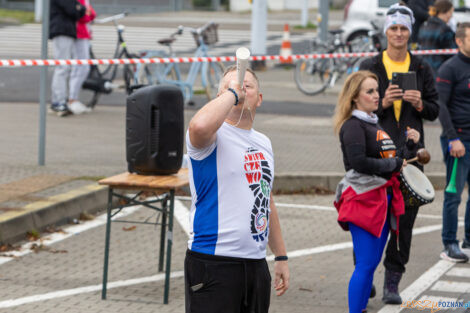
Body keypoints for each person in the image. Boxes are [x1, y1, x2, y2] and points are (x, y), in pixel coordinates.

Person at [185, 65, 289, 313]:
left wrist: (281, 256)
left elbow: (266, 199)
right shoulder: (211, 137)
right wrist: (232, 93)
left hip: (255, 264)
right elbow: (198, 126)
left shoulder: (263, 142)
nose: (240, 89)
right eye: (229, 87)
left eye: (247, 86)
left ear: (259, 99)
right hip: (214, 263)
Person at [359, 3, 439, 304]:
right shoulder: (370, 66)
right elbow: (353, 108)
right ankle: (364, 277)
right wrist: (380, 103)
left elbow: (434, 109)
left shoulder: (420, 67)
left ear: (410, 32)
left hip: (410, 158)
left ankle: (393, 281)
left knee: (403, 225)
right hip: (374, 157)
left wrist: (419, 105)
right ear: (386, 31)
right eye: (393, 28)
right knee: (369, 221)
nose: (398, 33)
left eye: (403, 28)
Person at [333, 71, 411, 313]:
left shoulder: (371, 121)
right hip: (363, 200)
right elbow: (359, 162)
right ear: (355, 97)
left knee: (372, 262)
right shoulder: (353, 126)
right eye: (370, 91)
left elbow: (385, 157)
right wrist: (393, 164)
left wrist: (406, 146)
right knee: (366, 264)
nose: (377, 95)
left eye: (377, 90)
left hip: (382, 198)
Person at [436, 22, 470, 263]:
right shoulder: (450, 68)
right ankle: (449, 243)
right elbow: (440, 105)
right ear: (459, 41)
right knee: (454, 194)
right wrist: (453, 138)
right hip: (458, 141)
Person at [49, 0, 86, 116]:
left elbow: (79, 10)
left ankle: (58, 101)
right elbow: (73, 10)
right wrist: (79, 8)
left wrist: (79, 8)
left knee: (62, 67)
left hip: (63, 30)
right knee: (62, 68)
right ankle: (59, 102)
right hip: (62, 30)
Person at [68, 0, 96, 115]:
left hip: (83, 33)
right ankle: (72, 99)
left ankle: (73, 98)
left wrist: (88, 14)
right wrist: (87, 14)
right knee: (80, 67)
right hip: (78, 33)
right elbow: (83, 16)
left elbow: (91, 14)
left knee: (82, 67)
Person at [418, 0, 456, 75]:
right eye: (451, 12)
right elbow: (451, 53)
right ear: (445, 12)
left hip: (423, 70)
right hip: (440, 70)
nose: (451, 16)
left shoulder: (424, 26)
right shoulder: (445, 29)